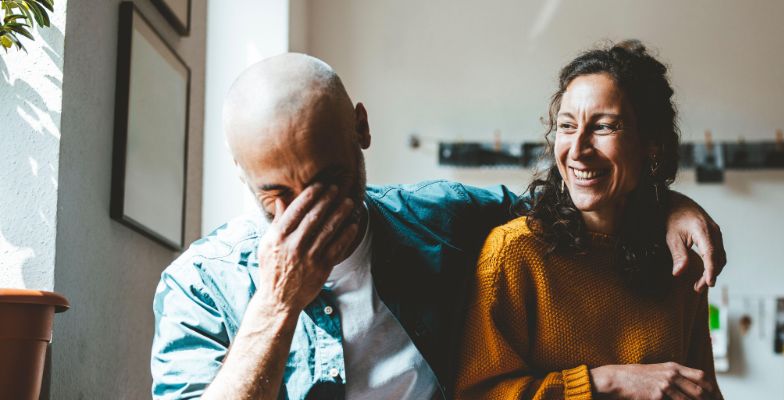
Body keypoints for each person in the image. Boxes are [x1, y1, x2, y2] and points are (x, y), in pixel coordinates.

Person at [150, 53, 726, 400]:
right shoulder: (200, 284)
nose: (309, 213)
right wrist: (276, 305)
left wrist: (667, 204)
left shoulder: (442, 220)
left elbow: (574, 205)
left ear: (361, 129)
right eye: (275, 196)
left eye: (330, 183)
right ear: (241, 173)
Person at [455, 40, 723, 400]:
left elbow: (701, 391)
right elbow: (478, 394)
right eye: (567, 126)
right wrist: (607, 383)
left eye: (603, 127)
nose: (578, 150)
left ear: (651, 143)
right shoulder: (514, 253)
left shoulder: (679, 257)